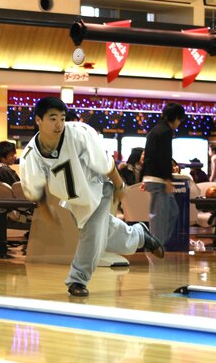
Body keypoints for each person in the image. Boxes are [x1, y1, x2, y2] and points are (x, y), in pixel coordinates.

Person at [19, 96, 164, 297]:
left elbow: (106, 163)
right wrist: (47, 213)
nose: (58, 124)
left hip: (99, 187)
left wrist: (119, 185)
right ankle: (140, 235)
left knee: (92, 234)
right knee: (107, 236)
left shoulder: (79, 134)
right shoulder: (30, 155)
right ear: (38, 120)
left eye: (62, 118)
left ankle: (77, 279)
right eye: (52, 118)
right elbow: (37, 191)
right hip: (74, 201)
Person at [142, 102, 186, 245]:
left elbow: (149, 155)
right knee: (160, 218)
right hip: (158, 179)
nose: (179, 123)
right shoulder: (165, 132)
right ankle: (157, 245)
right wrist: (168, 179)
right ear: (175, 118)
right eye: (179, 120)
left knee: (172, 212)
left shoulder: (155, 130)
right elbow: (164, 157)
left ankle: (158, 244)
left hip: (153, 177)